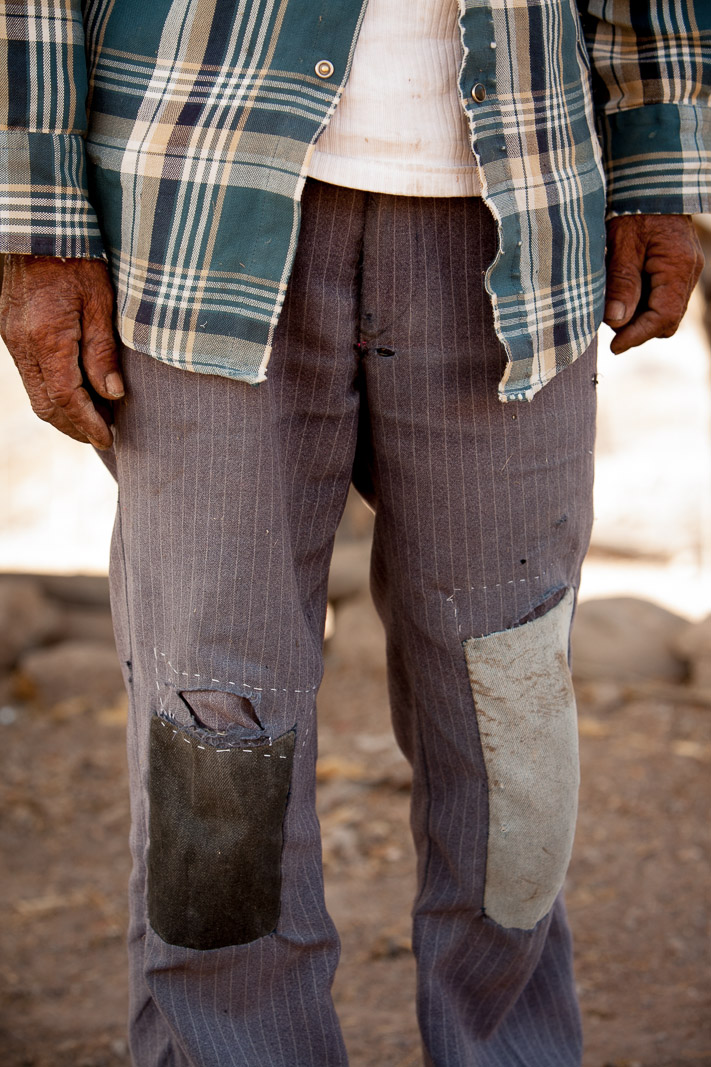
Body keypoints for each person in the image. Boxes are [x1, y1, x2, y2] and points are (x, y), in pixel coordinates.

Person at [0, 2, 707, 1064]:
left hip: (519, 202)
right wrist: (37, 216)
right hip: (201, 200)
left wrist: (658, 153)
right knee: (215, 734)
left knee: (512, 731)